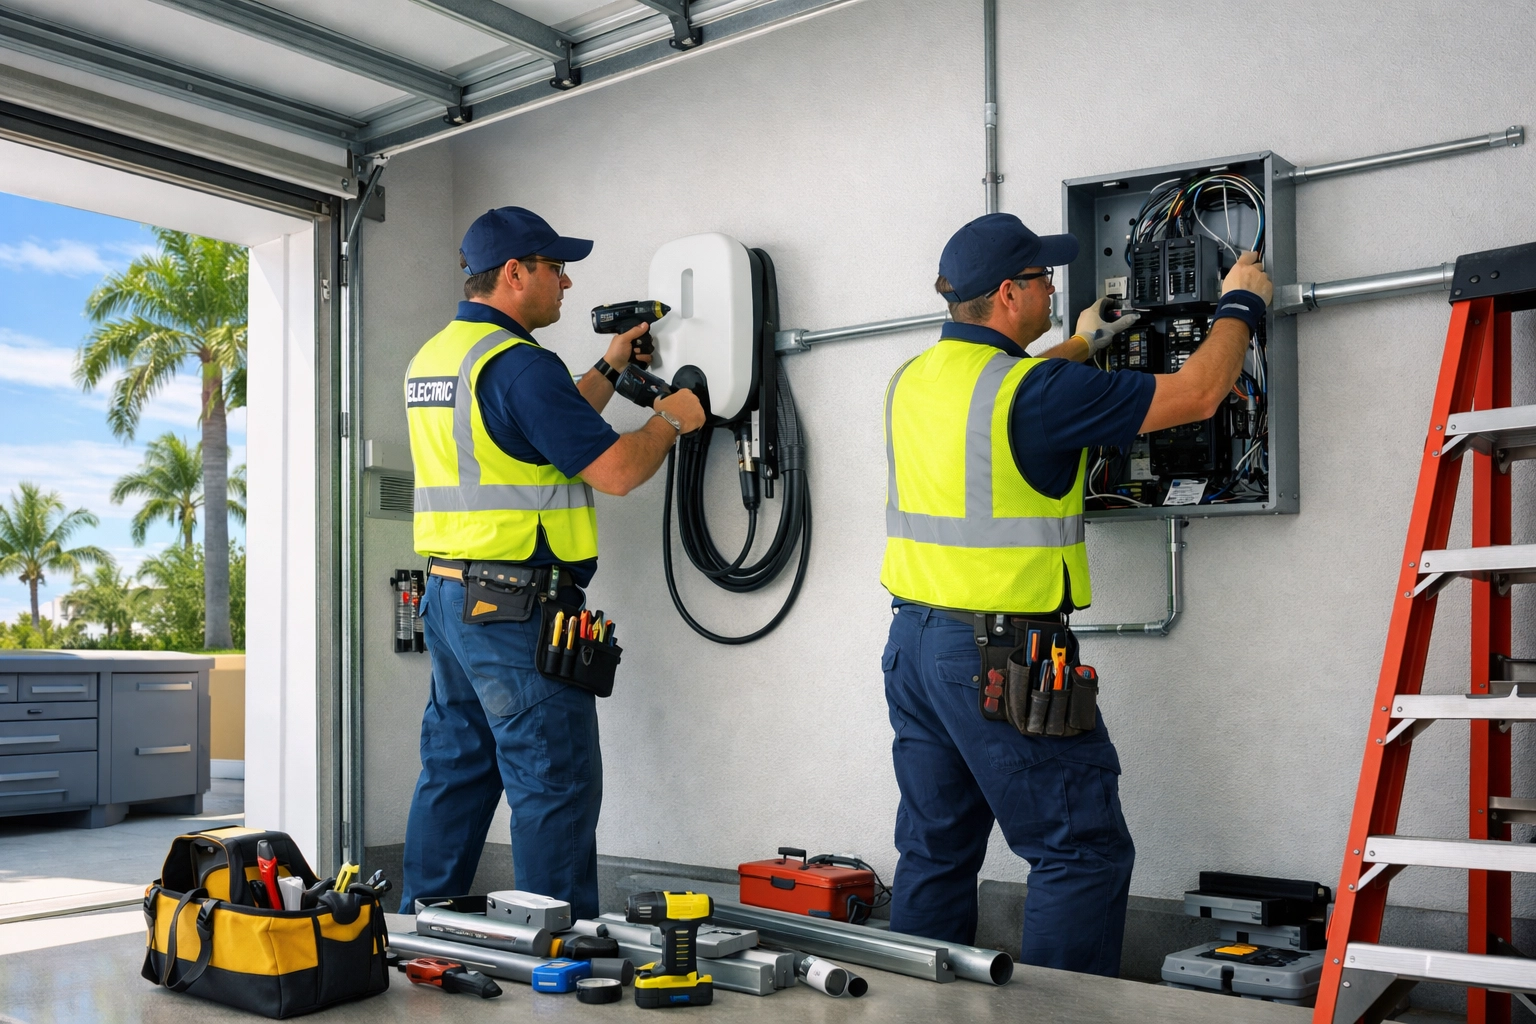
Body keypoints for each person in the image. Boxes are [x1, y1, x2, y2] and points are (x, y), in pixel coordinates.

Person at [879, 212, 1272, 976]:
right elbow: (1196, 392)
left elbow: (1015, 388)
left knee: (933, 848)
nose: (1053, 287)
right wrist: (1239, 304)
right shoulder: (1036, 391)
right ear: (1006, 294)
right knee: (1079, 850)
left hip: (914, 649)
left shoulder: (915, 380)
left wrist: (1086, 340)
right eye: (1041, 278)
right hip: (1001, 657)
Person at [398, 207, 705, 916]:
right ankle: (555, 957)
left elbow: (533, 434)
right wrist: (671, 420)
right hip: (516, 612)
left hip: (449, 599)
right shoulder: (521, 366)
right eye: (554, 267)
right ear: (514, 274)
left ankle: (419, 927)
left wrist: (608, 367)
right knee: (553, 781)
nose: (567, 284)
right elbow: (618, 471)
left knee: (455, 772)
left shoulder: (440, 357)